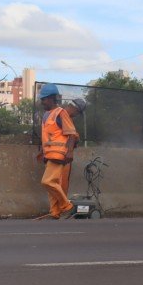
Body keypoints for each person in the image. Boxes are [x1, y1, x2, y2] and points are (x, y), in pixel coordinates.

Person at [36, 84, 78, 220]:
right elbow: (47, 136)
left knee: (47, 182)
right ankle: (55, 212)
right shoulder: (46, 115)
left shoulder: (61, 113)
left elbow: (71, 134)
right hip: (50, 155)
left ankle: (67, 206)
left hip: (59, 154)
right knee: (52, 183)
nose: (42, 102)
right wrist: (43, 152)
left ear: (52, 98)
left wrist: (70, 152)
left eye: (44, 99)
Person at [59, 98, 87, 199]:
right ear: (75, 108)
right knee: (61, 183)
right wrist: (76, 138)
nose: (77, 115)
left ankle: (58, 208)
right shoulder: (64, 115)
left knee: (59, 182)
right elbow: (71, 135)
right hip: (63, 155)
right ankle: (61, 207)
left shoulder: (64, 115)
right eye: (78, 112)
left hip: (60, 154)